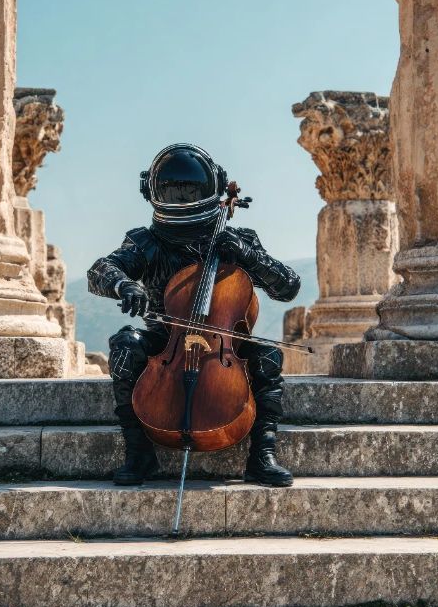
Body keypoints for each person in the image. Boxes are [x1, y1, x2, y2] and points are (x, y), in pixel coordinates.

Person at [87, 143, 301, 487]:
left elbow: (288, 286)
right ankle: (138, 451)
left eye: (187, 190)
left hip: (225, 343)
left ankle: (262, 454)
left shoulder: (238, 240)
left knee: (268, 355)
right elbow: (101, 269)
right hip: (165, 339)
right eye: (176, 190)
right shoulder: (146, 242)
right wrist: (124, 286)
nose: (181, 195)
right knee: (126, 344)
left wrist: (249, 256)